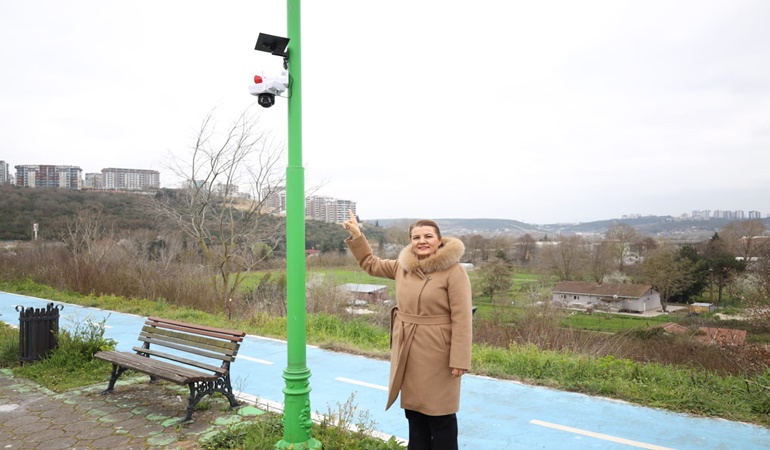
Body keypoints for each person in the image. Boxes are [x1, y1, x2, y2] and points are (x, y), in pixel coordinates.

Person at [343, 210, 472, 450]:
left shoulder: (454, 271)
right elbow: (371, 264)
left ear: (439, 241)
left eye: (428, 236)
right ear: (410, 242)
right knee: (415, 414)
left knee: (441, 416)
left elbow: (462, 317)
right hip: (408, 349)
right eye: (416, 237)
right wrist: (358, 235)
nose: (422, 241)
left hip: (439, 352)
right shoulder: (402, 267)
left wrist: (460, 358)